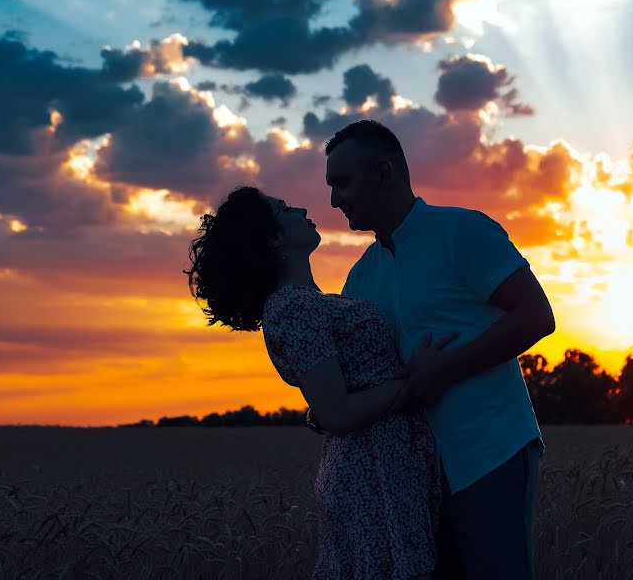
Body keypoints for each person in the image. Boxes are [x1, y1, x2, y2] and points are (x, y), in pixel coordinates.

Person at [323, 119, 555, 579]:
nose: (334, 200)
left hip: (490, 451)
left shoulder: (462, 231)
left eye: (342, 183)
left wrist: (445, 370)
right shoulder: (358, 278)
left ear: (385, 173)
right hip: (407, 478)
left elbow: (536, 316)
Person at [184, 185, 447, 580]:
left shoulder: (314, 300)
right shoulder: (292, 308)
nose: (303, 208)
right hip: (370, 470)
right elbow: (336, 413)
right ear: (272, 238)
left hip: (386, 462)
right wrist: (417, 380)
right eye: (285, 209)